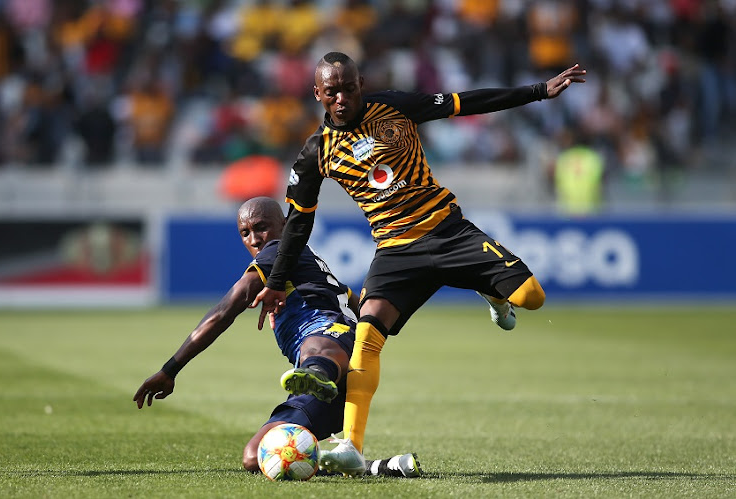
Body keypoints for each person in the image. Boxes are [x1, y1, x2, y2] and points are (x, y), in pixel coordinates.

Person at [250, 52, 587, 476]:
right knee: (366, 335)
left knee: (532, 298)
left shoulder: (393, 106)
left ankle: (492, 290)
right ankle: (351, 445)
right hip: (396, 252)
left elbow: (466, 102)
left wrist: (538, 91)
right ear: (317, 94)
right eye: (331, 91)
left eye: (348, 88)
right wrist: (277, 281)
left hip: (449, 231)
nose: (341, 98)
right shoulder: (317, 152)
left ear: (361, 85)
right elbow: (298, 223)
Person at [133, 196, 421, 478]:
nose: (255, 239)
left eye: (261, 227)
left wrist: (170, 370)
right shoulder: (310, 263)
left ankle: (317, 372)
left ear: (285, 225)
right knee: (254, 457)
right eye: (245, 232)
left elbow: (223, 312)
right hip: (336, 389)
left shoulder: (279, 250)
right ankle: (376, 466)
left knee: (318, 346)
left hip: (331, 347)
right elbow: (355, 303)